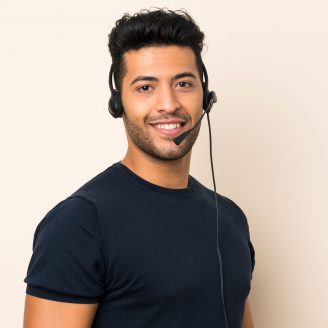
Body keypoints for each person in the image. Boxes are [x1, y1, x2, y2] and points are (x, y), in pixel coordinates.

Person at [23, 8, 255, 328]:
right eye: (146, 87)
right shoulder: (80, 222)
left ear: (205, 96)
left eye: (184, 83)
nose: (169, 104)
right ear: (118, 103)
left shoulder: (230, 219)